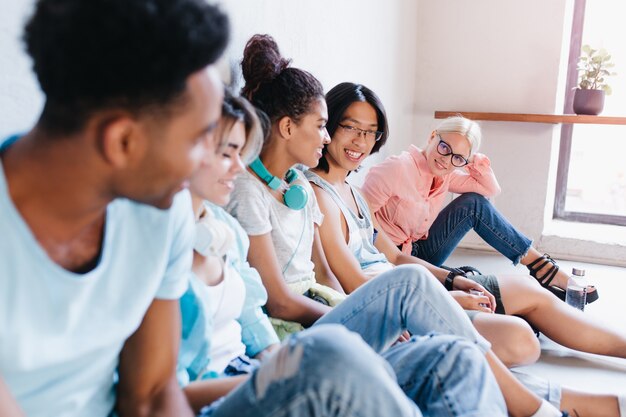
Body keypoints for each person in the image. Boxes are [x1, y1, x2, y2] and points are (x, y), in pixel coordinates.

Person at [227, 33, 581, 417]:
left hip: (332, 304)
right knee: (417, 290)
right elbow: (279, 300)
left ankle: (553, 402)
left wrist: (370, 313)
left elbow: (326, 275)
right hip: (301, 328)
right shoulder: (251, 191)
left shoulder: (298, 187)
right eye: (324, 126)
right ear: (287, 128)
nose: (329, 137)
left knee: (458, 351)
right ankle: (537, 406)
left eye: (369, 132)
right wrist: (377, 313)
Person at [307, 81, 626, 417]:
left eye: (370, 132)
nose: (360, 140)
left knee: (526, 300)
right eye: (350, 127)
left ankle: (581, 399)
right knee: (519, 340)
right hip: (393, 303)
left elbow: (397, 257)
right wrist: (441, 298)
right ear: (327, 127)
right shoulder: (322, 191)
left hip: (409, 280)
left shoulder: (354, 194)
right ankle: (560, 403)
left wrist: (455, 280)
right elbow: (344, 280)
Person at [178, 91, 507, 417]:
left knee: (458, 356)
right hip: (231, 388)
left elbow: (260, 316)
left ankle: (533, 404)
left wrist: (278, 359)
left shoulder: (230, 227)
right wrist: (288, 368)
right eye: (228, 152)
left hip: (273, 357)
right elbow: (156, 395)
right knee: (355, 339)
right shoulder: (166, 246)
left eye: (369, 133)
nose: (240, 166)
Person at [0, 0, 229, 416]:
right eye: (199, 139)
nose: (208, 162)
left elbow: (154, 393)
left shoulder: (164, 212)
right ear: (122, 141)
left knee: (335, 366)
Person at [360, 114, 599, 304]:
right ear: (433, 136)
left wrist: (472, 160)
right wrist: (394, 258)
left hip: (419, 251)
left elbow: (488, 189)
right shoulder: (397, 168)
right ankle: (540, 276)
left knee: (473, 203)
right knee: (480, 289)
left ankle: (540, 267)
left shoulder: (445, 174)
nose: (446, 160)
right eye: (444, 147)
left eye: (457, 157)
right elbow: (361, 221)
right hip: (388, 257)